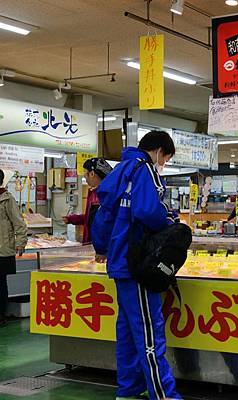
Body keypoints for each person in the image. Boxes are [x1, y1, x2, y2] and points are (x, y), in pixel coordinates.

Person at [92, 131, 180, 400]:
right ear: (158, 151)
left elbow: (103, 215)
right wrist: (170, 221)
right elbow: (147, 212)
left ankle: (129, 389)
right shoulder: (144, 170)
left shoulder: (121, 171)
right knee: (150, 334)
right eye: (164, 158)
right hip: (138, 263)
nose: (162, 163)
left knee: (129, 331)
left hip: (119, 263)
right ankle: (164, 395)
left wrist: (102, 247)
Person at [0, 169, 27, 327]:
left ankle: (1, 314)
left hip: (3, 249)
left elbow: (19, 223)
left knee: (0, 283)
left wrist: (20, 242)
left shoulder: (7, 199)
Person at [63, 157, 112, 244]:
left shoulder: (109, 194)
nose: (85, 177)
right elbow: (90, 218)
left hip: (102, 248)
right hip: (92, 245)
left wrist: (101, 249)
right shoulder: (93, 192)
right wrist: (73, 219)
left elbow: (105, 224)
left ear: (92, 174)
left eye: (85, 173)